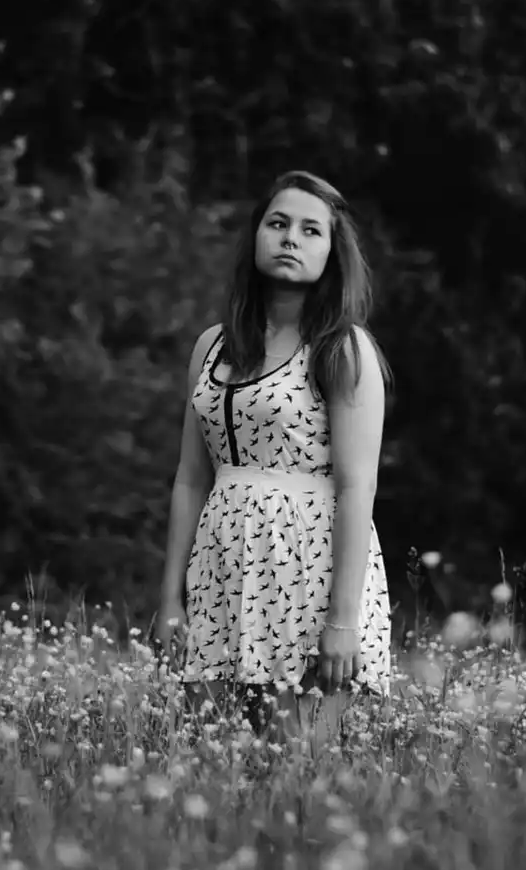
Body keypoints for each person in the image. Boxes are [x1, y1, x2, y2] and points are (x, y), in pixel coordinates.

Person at [155, 170, 394, 746]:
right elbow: (190, 478)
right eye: (278, 223)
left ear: (331, 253)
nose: (291, 238)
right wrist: (169, 598)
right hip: (220, 563)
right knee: (205, 757)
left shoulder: (342, 348)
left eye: (311, 230)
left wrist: (342, 620)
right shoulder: (212, 347)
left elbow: (357, 486)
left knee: (294, 767)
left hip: (307, 568)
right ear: (256, 235)